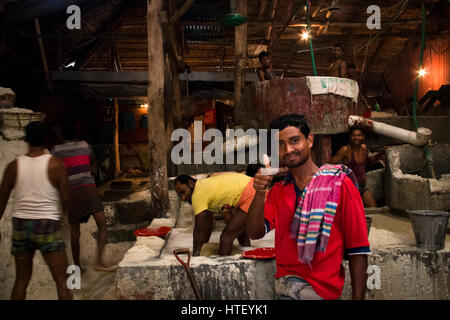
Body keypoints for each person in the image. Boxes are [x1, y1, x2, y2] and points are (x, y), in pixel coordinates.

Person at [247, 114, 370, 300]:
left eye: (294, 140)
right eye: (280, 144)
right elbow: (254, 233)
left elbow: (358, 249)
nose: (288, 149)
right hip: (285, 292)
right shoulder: (279, 191)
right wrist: (259, 194)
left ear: (310, 140)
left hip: (321, 293)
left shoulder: (339, 185)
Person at [0, 122, 73, 300]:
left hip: (21, 225)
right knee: (62, 281)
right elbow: (65, 198)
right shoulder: (56, 165)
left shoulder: (13, 166)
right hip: (47, 224)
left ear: (26, 139)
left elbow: (1, 202)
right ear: (46, 139)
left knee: (21, 280)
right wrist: (63, 218)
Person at [51, 127, 113, 272]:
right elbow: (93, 167)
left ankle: (77, 266)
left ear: (61, 136)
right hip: (88, 188)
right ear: (76, 134)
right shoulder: (84, 146)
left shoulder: (56, 151)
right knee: (102, 225)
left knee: (75, 233)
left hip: (71, 192)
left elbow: (55, 170)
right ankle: (99, 262)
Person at [174, 172, 256, 256]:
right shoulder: (204, 186)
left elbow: (199, 228)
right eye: (180, 195)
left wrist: (196, 256)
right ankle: (249, 254)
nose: (183, 198)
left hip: (250, 194)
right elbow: (208, 224)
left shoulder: (197, 194)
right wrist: (203, 249)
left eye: (183, 192)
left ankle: (223, 266)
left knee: (226, 238)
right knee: (238, 231)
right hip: (252, 187)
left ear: (191, 183)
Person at [331, 127, 385, 208]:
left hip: (362, 186)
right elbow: (330, 164)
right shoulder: (345, 150)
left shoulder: (364, 148)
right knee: (353, 211)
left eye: (359, 135)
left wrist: (381, 153)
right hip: (350, 187)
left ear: (363, 137)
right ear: (350, 137)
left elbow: (368, 162)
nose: (356, 137)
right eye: (353, 135)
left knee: (373, 208)